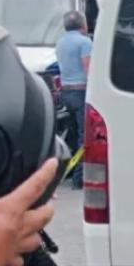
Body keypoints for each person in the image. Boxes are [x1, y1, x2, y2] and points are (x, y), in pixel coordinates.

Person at [54, 11, 92, 189]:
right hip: (80, 92)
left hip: (66, 94)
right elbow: (88, 69)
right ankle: (78, 179)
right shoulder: (85, 42)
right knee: (85, 137)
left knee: (72, 134)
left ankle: (67, 171)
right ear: (83, 25)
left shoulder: (60, 43)